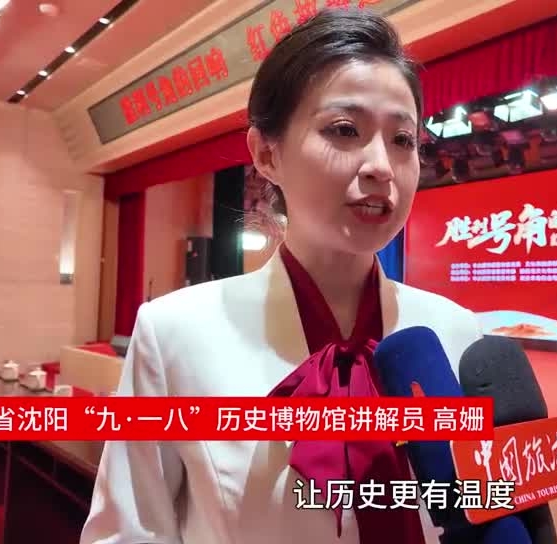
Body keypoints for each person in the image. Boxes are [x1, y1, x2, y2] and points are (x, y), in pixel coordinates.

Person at [81, 7, 481, 544]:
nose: (381, 166)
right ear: (266, 154)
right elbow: (127, 533)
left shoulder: (457, 334)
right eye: (345, 130)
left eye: (403, 140)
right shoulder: (175, 333)